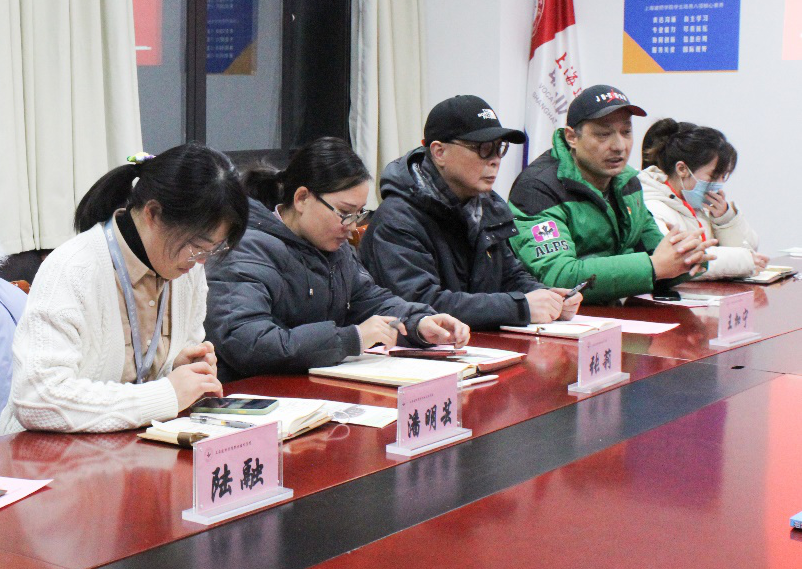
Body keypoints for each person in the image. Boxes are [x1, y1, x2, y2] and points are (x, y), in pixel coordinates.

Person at [0, 144, 248, 434]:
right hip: (44, 452)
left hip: (129, 445)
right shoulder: (73, 268)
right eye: (197, 247)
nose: (201, 261)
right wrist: (166, 394)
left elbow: (145, 384)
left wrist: (179, 371)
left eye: (213, 249)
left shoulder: (188, 271)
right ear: (153, 213)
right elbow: (37, 398)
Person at [205, 137, 469, 382]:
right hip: (253, 395)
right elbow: (248, 342)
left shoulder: (333, 247)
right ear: (302, 198)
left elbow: (371, 301)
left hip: (312, 389)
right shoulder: (245, 248)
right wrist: (351, 338)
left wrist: (418, 323)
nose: (352, 227)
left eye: (359, 213)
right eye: (344, 212)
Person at [361, 95, 582, 330]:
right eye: (483, 149)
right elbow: (421, 304)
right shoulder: (398, 219)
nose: (495, 160)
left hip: (474, 342)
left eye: (500, 149)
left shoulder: (488, 206)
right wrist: (520, 307)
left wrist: (546, 297)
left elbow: (510, 276)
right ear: (439, 152)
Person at [508, 85, 712, 303]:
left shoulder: (627, 182)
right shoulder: (537, 188)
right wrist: (653, 266)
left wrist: (687, 257)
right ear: (571, 137)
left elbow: (656, 255)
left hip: (612, 313)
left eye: (626, 132)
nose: (619, 146)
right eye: (603, 134)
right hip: (559, 318)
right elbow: (560, 277)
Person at [638, 119, 764, 279]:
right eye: (713, 176)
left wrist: (725, 220)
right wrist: (744, 261)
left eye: (723, 176)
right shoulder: (652, 205)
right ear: (682, 169)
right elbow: (681, 261)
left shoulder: (699, 204)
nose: (718, 184)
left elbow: (750, 252)